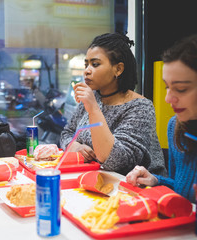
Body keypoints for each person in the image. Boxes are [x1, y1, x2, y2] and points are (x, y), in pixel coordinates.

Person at [60, 32, 167, 176]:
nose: (87, 71)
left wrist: (93, 109)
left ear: (118, 69)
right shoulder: (94, 98)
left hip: (135, 189)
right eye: (86, 64)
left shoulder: (140, 107)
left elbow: (117, 161)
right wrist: (74, 146)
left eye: (95, 64)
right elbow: (67, 132)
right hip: (92, 179)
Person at [126, 34, 197, 203]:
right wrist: (155, 181)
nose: (168, 98)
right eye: (167, 86)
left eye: (180, 89)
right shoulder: (176, 126)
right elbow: (181, 190)